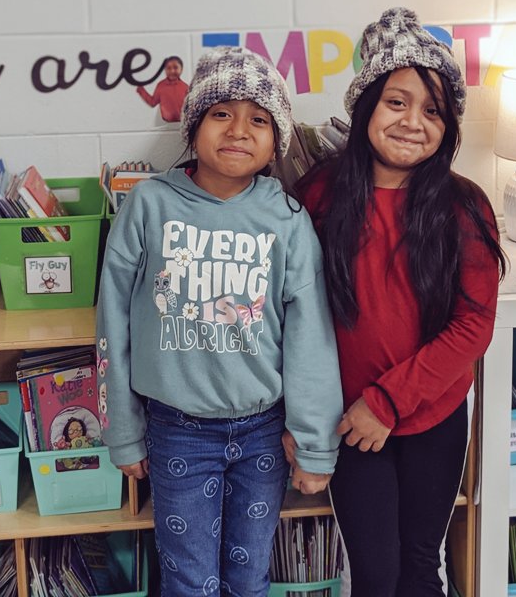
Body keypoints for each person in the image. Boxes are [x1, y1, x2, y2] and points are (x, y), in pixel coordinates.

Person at [96, 46, 342, 597]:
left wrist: (314, 443)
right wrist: (123, 431)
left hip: (263, 434)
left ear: (276, 140)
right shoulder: (150, 205)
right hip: (177, 431)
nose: (238, 130)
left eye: (258, 119)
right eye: (221, 114)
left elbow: (311, 340)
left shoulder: (288, 219)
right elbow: (113, 320)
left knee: (249, 578)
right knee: (188, 581)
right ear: (194, 126)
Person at [295, 7, 507, 597]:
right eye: (397, 102)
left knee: (419, 567)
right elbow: (282, 308)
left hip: (430, 418)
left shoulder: (464, 207)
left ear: (449, 127)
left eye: (433, 110)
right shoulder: (319, 194)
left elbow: (473, 326)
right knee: (376, 574)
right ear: (365, 107)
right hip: (351, 423)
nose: (414, 122)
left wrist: (388, 401)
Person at [135, 55, 189, 123]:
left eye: (175, 67)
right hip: (166, 125)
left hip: (182, 124)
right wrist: (141, 90)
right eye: (168, 68)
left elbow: (190, 106)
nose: (172, 71)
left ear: (181, 69)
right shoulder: (161, 86)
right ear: (165, 70)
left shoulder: (185, 87)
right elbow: (153, 102)